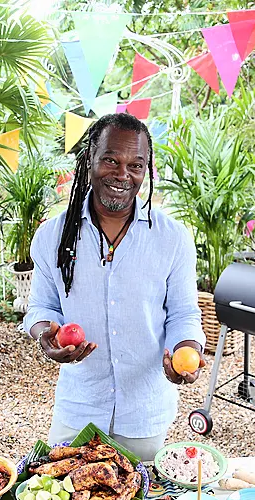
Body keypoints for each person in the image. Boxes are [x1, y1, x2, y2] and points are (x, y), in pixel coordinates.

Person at [22, 113, 206, 461]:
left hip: (144, 413)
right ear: (90, 158)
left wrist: (184, 349)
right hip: (78, 409)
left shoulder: (172, 239)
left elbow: (184, 312)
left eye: (136, 165)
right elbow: (41, 307)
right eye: (111, 160)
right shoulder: (51, 238)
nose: (123, 175)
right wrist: (46, 334)